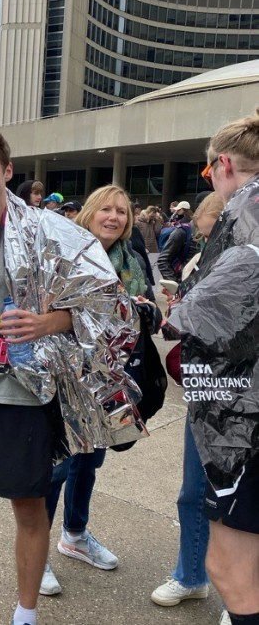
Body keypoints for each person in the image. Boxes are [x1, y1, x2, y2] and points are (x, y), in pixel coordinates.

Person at [0, 131, 141, 625]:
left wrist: (50, 322)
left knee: (28, 508)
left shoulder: (51, 231)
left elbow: (111, 306)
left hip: (24, 389)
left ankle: (25, 615)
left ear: (7, 171)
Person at [39, 184, 160, 597]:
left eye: (121, 212)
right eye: (106, 209)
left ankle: (75, 534)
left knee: (90, 461)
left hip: (109, 375)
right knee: (58, 464)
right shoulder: (65, 253)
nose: (114, 217)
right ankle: (36, 553)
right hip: (65, 372)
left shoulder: (132, 258)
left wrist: (145, 310)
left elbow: (147, 310)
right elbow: (49, 307)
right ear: (90, 213)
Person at [166, 108, 259, 625]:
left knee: (229, 567)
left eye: (208, 173)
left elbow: (205, 309)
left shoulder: (248, 210)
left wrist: (168, 315)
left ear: (223, 164)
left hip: (245, 415)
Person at [151, 192, 227, 619]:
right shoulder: (199, 262)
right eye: (208, 232)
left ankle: (242, 595)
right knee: (194, 491)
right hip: (204, 390)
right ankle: (192, 574)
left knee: (240, 501)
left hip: (245, 396)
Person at [157, 201, 197, 282]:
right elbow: (163, 260)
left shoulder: (183, 223)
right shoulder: (182, 229)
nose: (176, 211)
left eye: (178, 210)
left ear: (183, 209)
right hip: (183, 277)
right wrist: (176, 285)